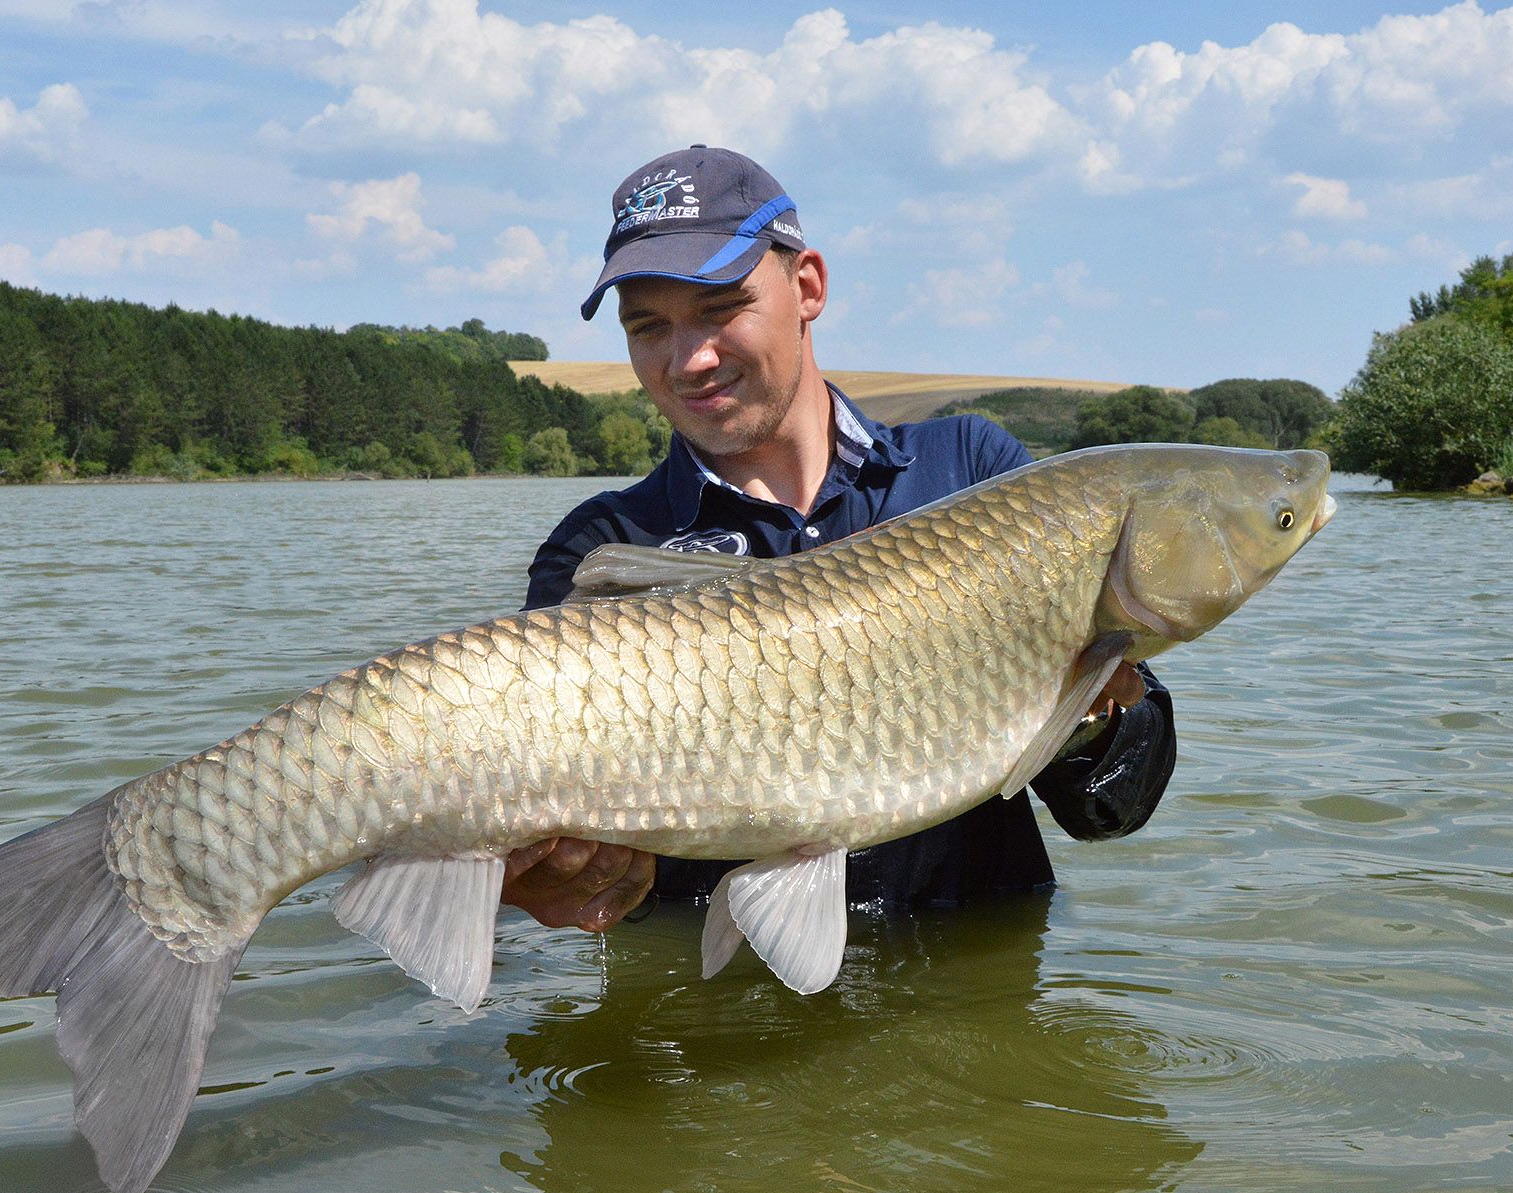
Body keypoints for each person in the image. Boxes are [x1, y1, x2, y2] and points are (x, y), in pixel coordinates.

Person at [500, 145, 1176, 933]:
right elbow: (562, 877)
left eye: (720, 310)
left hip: (970, 993)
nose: (691, 360)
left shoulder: (972, 476)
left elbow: (1113, 811)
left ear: (808, 286)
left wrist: (1093, 714)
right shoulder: (603, 548)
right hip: (716, 1021)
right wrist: (544, 883)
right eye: (649, 327)